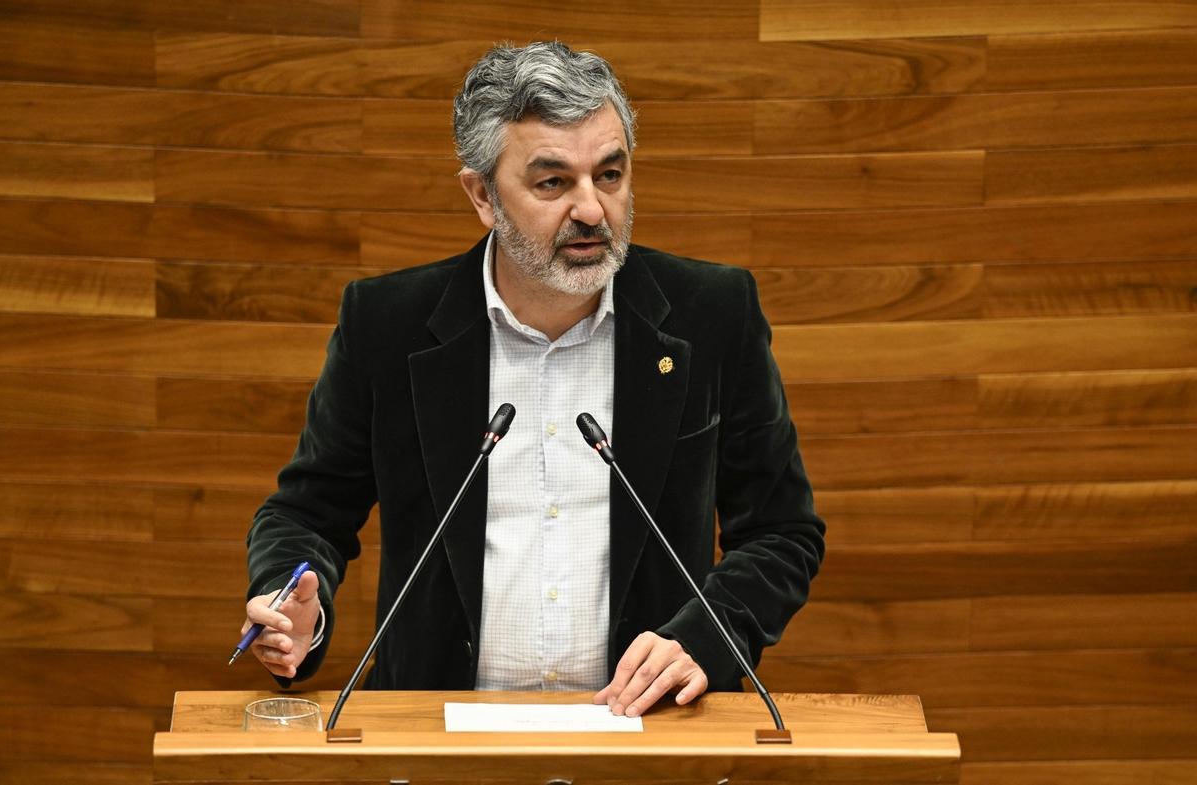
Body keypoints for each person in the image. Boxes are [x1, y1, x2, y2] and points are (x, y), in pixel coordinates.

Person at [243, 41, 825, 719]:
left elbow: (783, 532)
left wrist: (707, 636)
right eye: (553, 183)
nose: (592, 209)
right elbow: (308, 513)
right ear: (483, 195)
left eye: (610, 175)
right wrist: (293, 600)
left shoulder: (711, 316)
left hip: (648, 731)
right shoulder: (387, 325)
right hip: (439, 733)